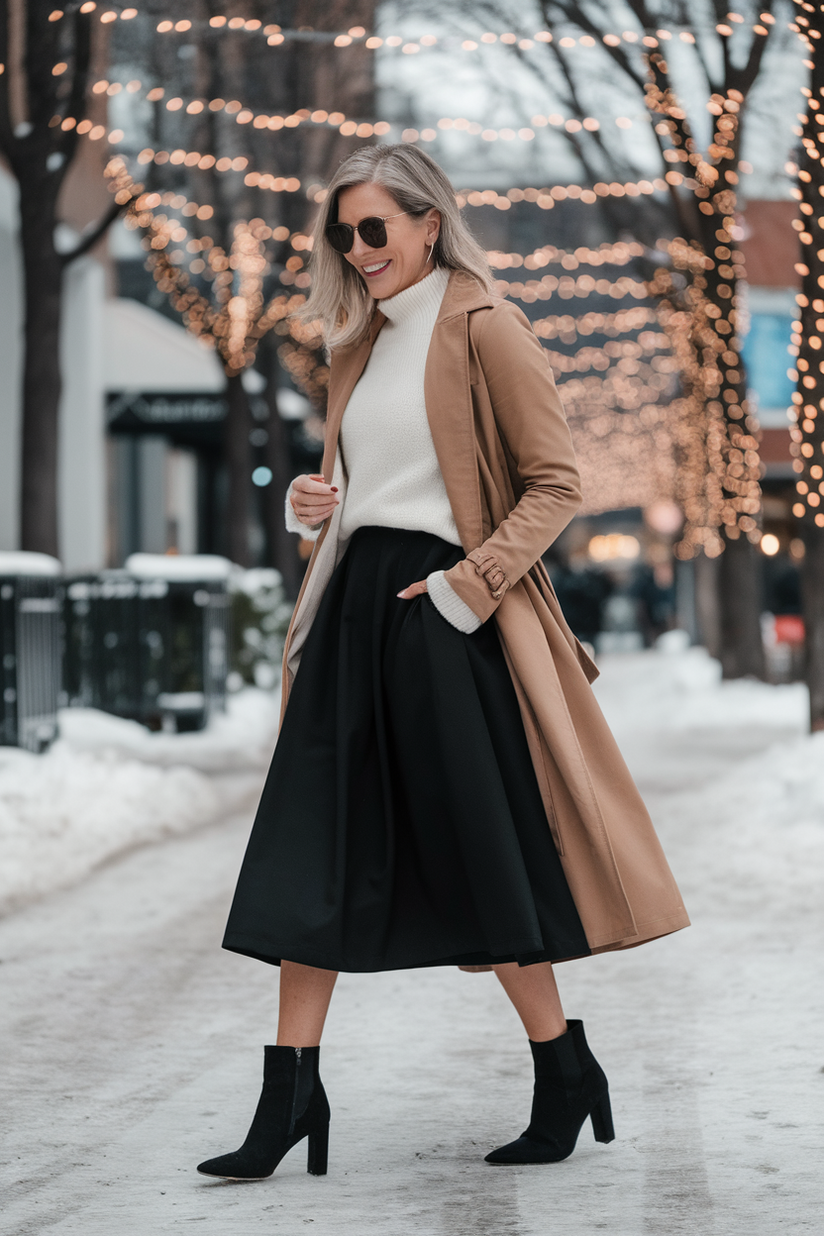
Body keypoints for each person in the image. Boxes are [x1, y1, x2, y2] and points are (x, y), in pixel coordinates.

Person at [197, 144, 689, 1183]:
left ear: (429, 222)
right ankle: (289, 1090)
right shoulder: (354, 342)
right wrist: (310, 505)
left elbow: (553, 482)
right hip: (350, 613)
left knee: (481, 849)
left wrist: (472, 585)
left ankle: (562, 1067)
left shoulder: (485, 326)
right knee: (308, 843)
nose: (357, 249)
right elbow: (369, 487)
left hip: (441, 614)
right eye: (343, 232)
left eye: (375, 227)